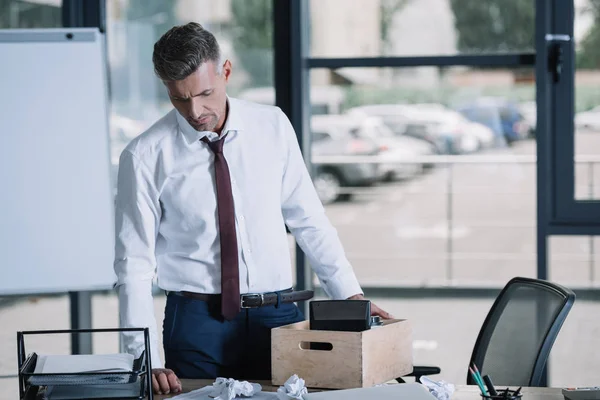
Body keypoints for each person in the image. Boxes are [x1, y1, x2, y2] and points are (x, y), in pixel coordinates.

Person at [113, 22, 392, 396]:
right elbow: (134, 263)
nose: (195, 111)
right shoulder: (145, 155)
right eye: (179, 98)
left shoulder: (272, 125)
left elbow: (308, 220)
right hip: (196, 322)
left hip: (278, 317)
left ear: (225, 71)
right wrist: (144, 358)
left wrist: (350, 298)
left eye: (205, 93)